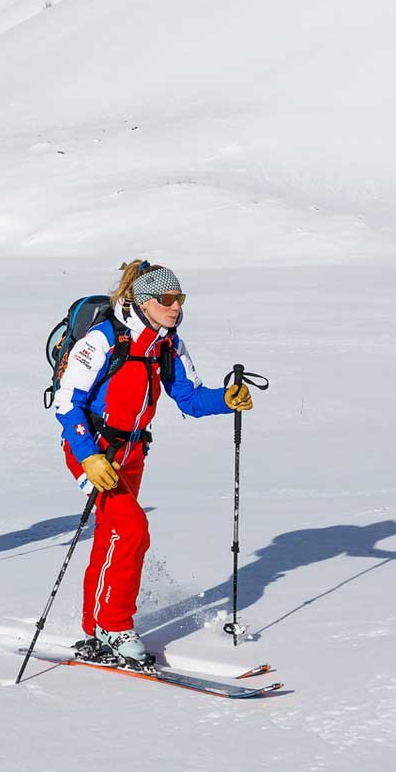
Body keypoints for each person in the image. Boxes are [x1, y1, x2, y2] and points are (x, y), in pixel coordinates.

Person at [51, 260, 253, 667]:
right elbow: (67, 402)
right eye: (167, 299)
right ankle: (115, 625)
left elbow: (190, 398)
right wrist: (88, 457)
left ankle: (94, 627)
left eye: (180, 298)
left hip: (132, 454)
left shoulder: (167, 345)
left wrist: (225, 399)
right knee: (131, 529)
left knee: (113, 534)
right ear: (143, 301)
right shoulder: (103, 339)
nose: (176, 307)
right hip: (93, 450)